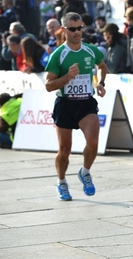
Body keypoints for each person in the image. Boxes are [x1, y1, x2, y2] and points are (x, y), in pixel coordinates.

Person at [44, 12, 107, 201]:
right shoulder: (58, 55)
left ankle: (85, 172)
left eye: (80, 28)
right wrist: (67, 77)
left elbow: (102, 66)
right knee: (64, 150)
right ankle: (61, 182)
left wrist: (101, 82)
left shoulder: (90, 50)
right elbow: (48, 85)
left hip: (86, 102)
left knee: (93, 141)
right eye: (72, 29)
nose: (77, 32)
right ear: (64, 30)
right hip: (65, 103)